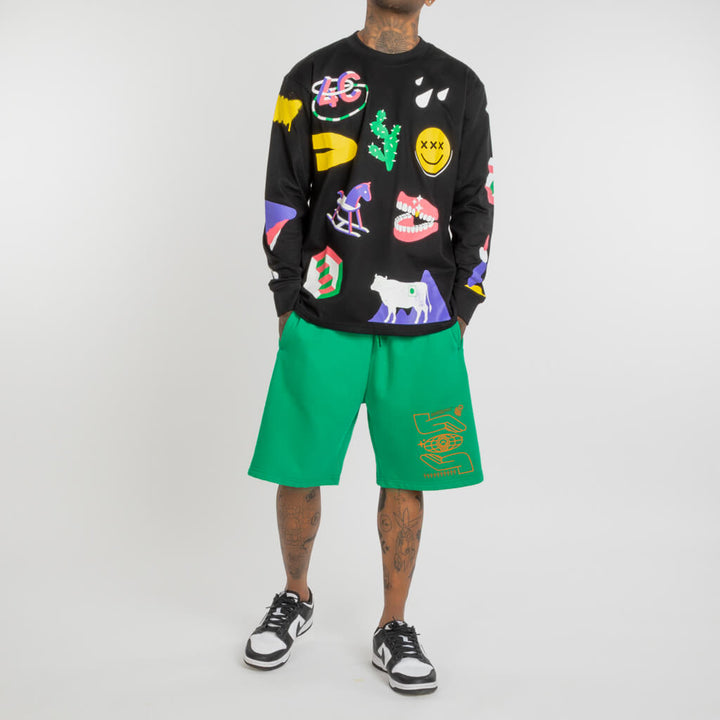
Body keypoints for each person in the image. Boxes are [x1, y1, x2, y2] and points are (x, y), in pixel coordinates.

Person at [243, 0, 494, 695]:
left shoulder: (461, 86)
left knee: (408, 477)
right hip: (321, 312)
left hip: (426, 321)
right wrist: (288, 298)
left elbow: (476, 201)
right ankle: (295, 596)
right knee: (299, 468)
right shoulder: (311, 76)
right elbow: (283, 192)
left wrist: (463, 305)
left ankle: (393, 625)